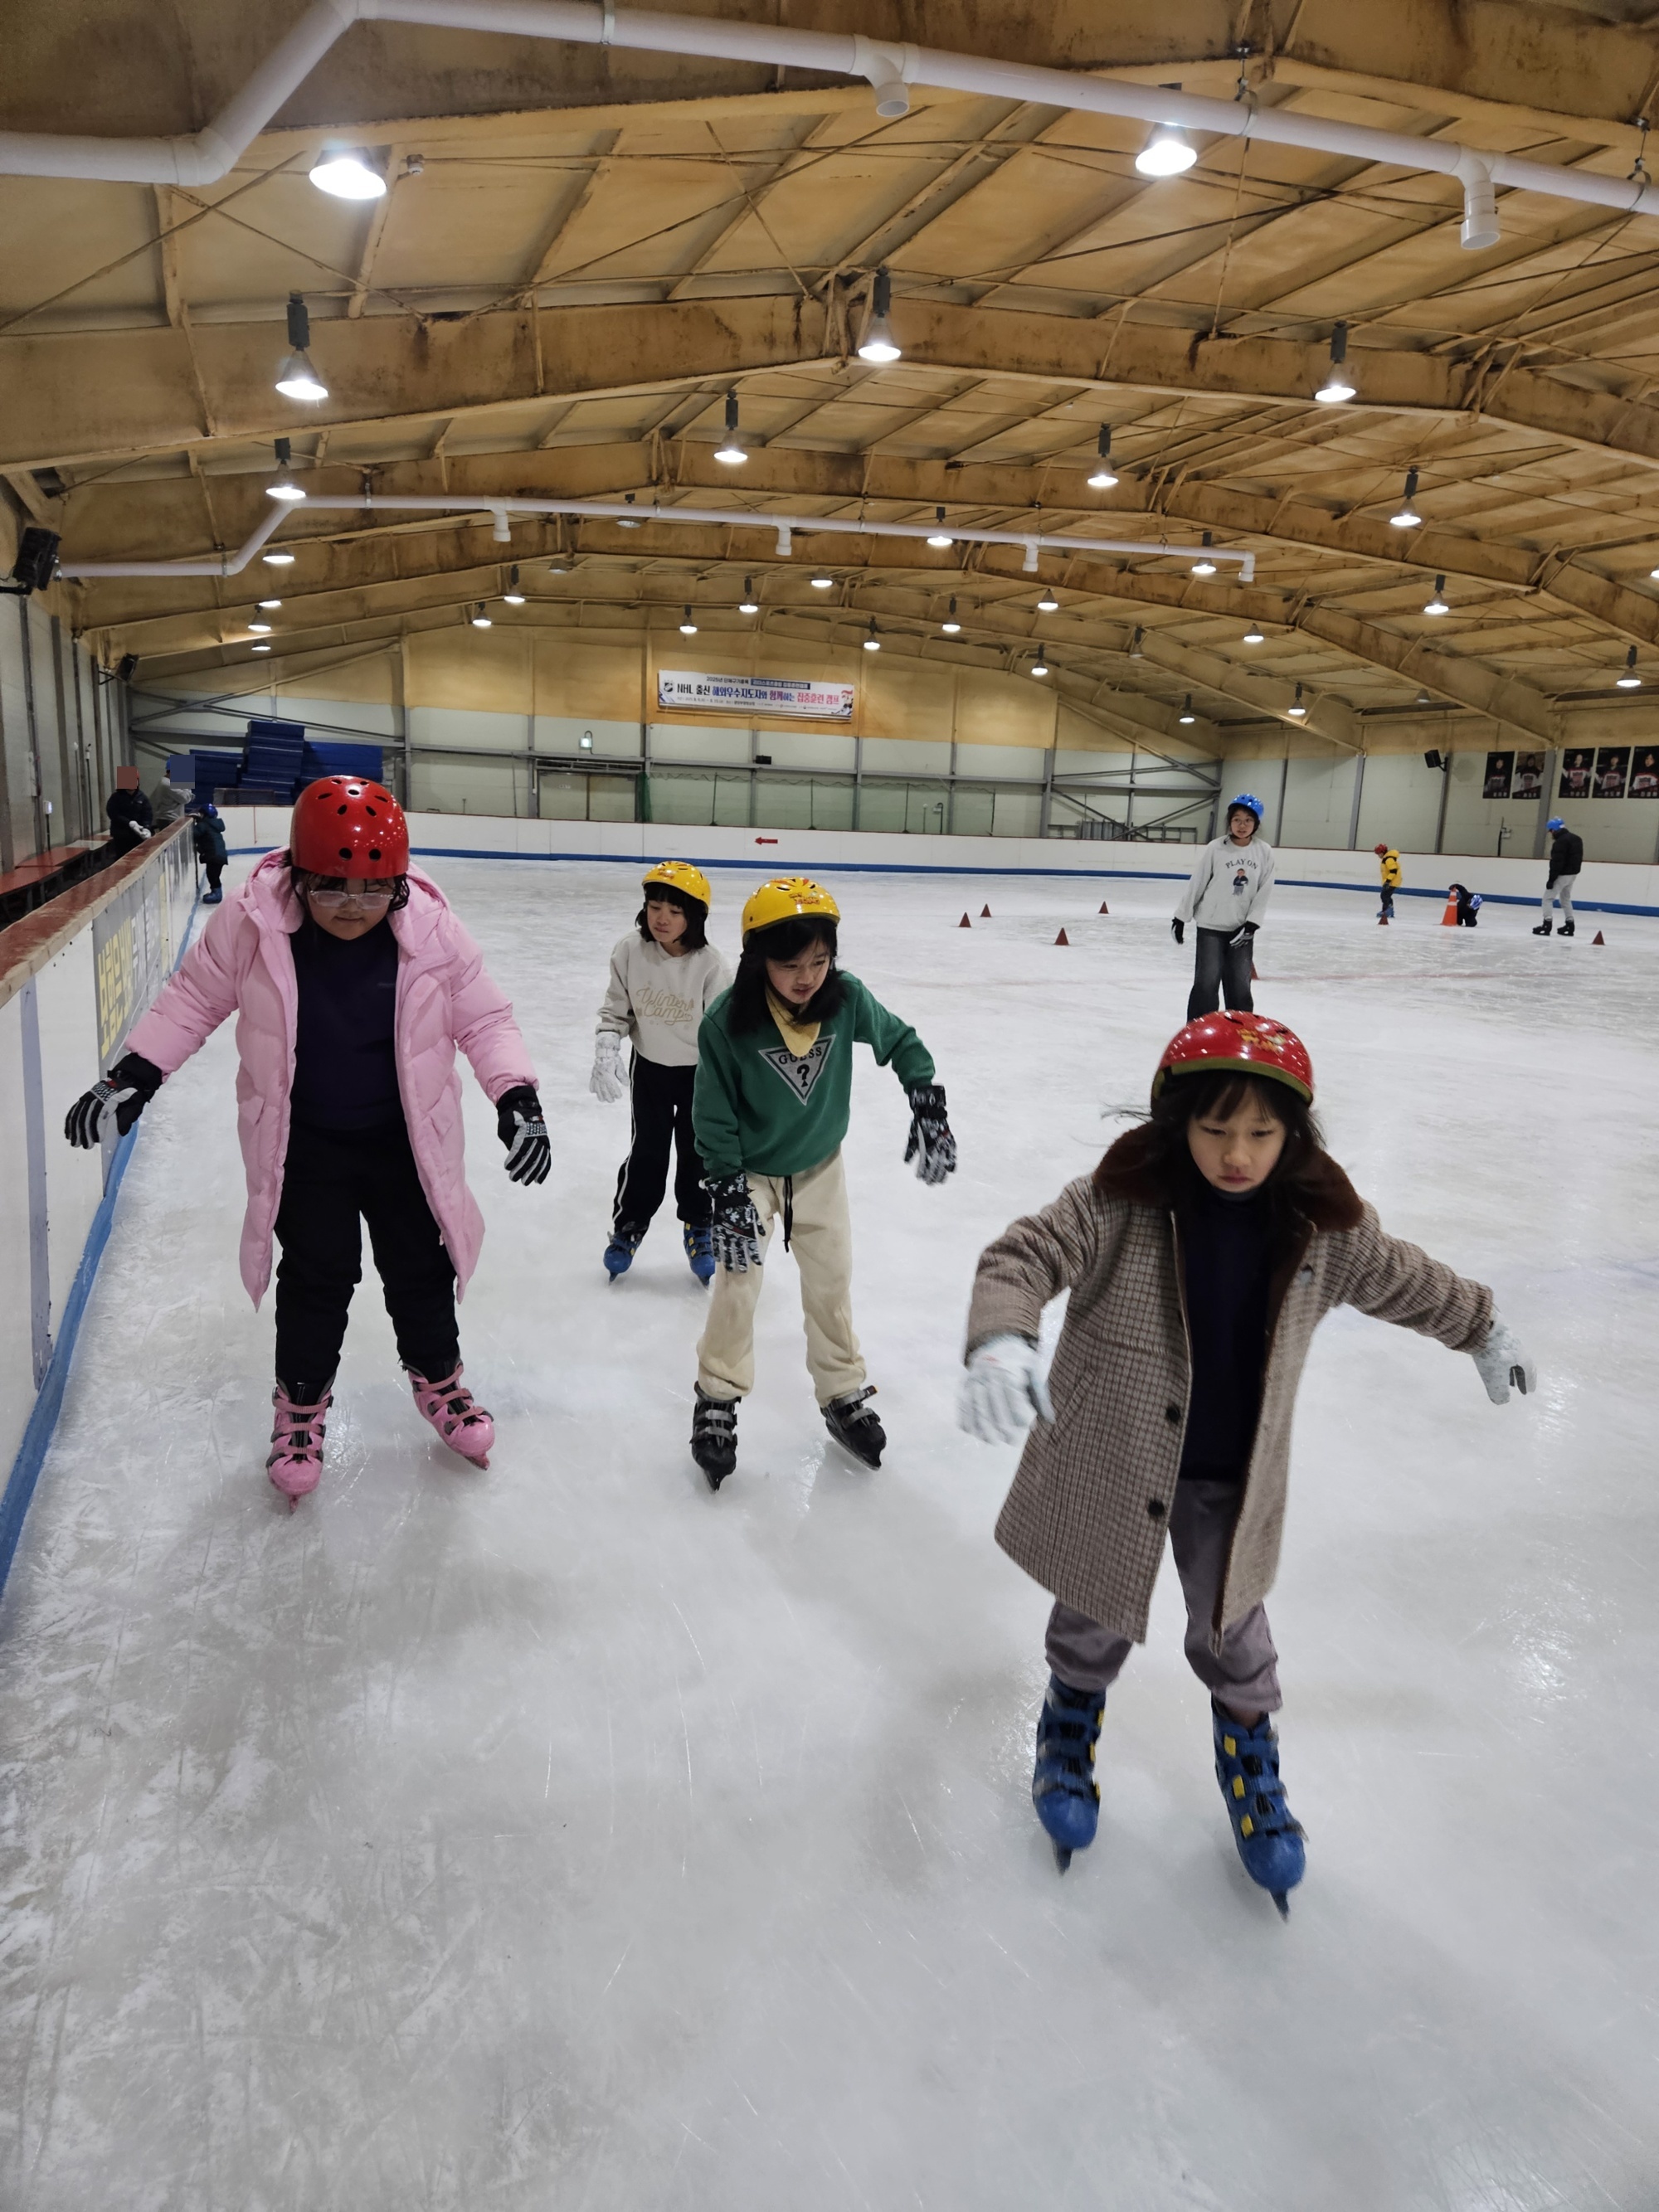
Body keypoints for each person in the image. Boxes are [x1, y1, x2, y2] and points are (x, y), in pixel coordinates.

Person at [958, 1010, 1535, 1911]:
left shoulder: (1319, 1230)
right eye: (1214, 1129)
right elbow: (1023, 1253)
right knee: (1091, 1607)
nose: (1236, 1153)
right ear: (1175, 1123)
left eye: (1261, 1133)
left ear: (1291, 1133)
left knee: (1235, 1630)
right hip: (1118, 1459)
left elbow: (1402, 1277)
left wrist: (1480, 1325)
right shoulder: (1118, 1204)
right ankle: (1067, 1726)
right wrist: (1000, 1335)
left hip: (1231, 1475)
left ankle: (1250, 1765)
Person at [62, 775, 549, 1507]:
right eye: (331, 887)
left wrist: (517, 1093)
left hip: (405, 1142)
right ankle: (300, 1407)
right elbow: (194, 996)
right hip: (305, 1145)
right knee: (318, 1278)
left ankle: (440, 1380)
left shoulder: (432, 929)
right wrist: (138, 1070)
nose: (353, 904)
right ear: (297, 873)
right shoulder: (254, 922)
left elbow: (484, 1017)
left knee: (421, 1267)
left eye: (372, 888)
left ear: (398, 884)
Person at [688, 876, 956, 1490]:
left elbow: (901, 1040)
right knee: (738, 1283)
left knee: (832, 1281)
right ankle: (717, 1394)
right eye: (790, 964)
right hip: (750, 1175)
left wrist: (927, 1099)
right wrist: (726, 1190)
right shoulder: (727, 1022)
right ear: (759, 960)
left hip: (819, 1169)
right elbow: (713, 1112)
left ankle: (841, 1390)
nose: (807, 975)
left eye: (819, 959)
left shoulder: (846, 998)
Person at [590, 859, 732, 1282]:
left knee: (696, 1153)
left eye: (674, 910)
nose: (662, 918)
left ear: (695, 916)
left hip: (699, 1075)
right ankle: (629, 1225)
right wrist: (606, 1044)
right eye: (654, 907)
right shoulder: (630, 951)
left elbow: (723, 1034)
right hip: (650, 1068)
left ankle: (699, 1223)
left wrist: (729, 1085)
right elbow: (616, 1007)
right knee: (647, 1150)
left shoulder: (711, 966)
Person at [1171, 795, 1274, 1020]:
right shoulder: (1216, 848)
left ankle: (1241, 1032)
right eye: (1237, 819)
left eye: (1248, 820)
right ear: (1230, 821)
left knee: (1240, 986)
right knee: (1206, 983)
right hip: (1211, 927)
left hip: (1241, 929)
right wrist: (1181, 917)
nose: (1242, 825)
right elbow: (1197, 882)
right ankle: (1199, 1029)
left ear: (1256, 824)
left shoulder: (1264, 852)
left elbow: (1265, 890)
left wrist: (1251, 925)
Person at [1535, 817, 1583, 937]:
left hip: (1562, 875)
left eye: (1551, 831)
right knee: (1565, 899)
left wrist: (1551, 880)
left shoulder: (1560, 842)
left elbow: (1557, 863)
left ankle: (1547, 924)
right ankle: (1570, 924)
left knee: (1547, 899)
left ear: (1554, 829)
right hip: (1573, 874)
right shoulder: (1577, 839)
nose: (1551, 834)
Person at [105, 764, 153, 857]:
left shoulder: (142, 797)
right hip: (121, 835)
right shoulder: (116, 797)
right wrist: (129, 823)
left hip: (138, 835)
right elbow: (113, 814)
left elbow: (147, 814)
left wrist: (146, 827)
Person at [189, 800, 228, 903]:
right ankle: (216, 892)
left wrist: (194, 824)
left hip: (214, 856)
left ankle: (217, 894)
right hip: (220, 855)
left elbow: (194, 834)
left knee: (212, 875)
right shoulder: (214, 825)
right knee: (214, 875)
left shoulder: (204, 825)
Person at [1374, 841, 1401, 925]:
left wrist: (1388, 881)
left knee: (1384, 895)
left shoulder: (1388, 859)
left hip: (1392, 881)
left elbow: (1393, 871)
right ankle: (1387, 911)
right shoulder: (1387, 858)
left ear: (1382, 852)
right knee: (1386, 895)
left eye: (1378, 854)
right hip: (1391, 881)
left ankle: (1388, 910)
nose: (1378, 856)